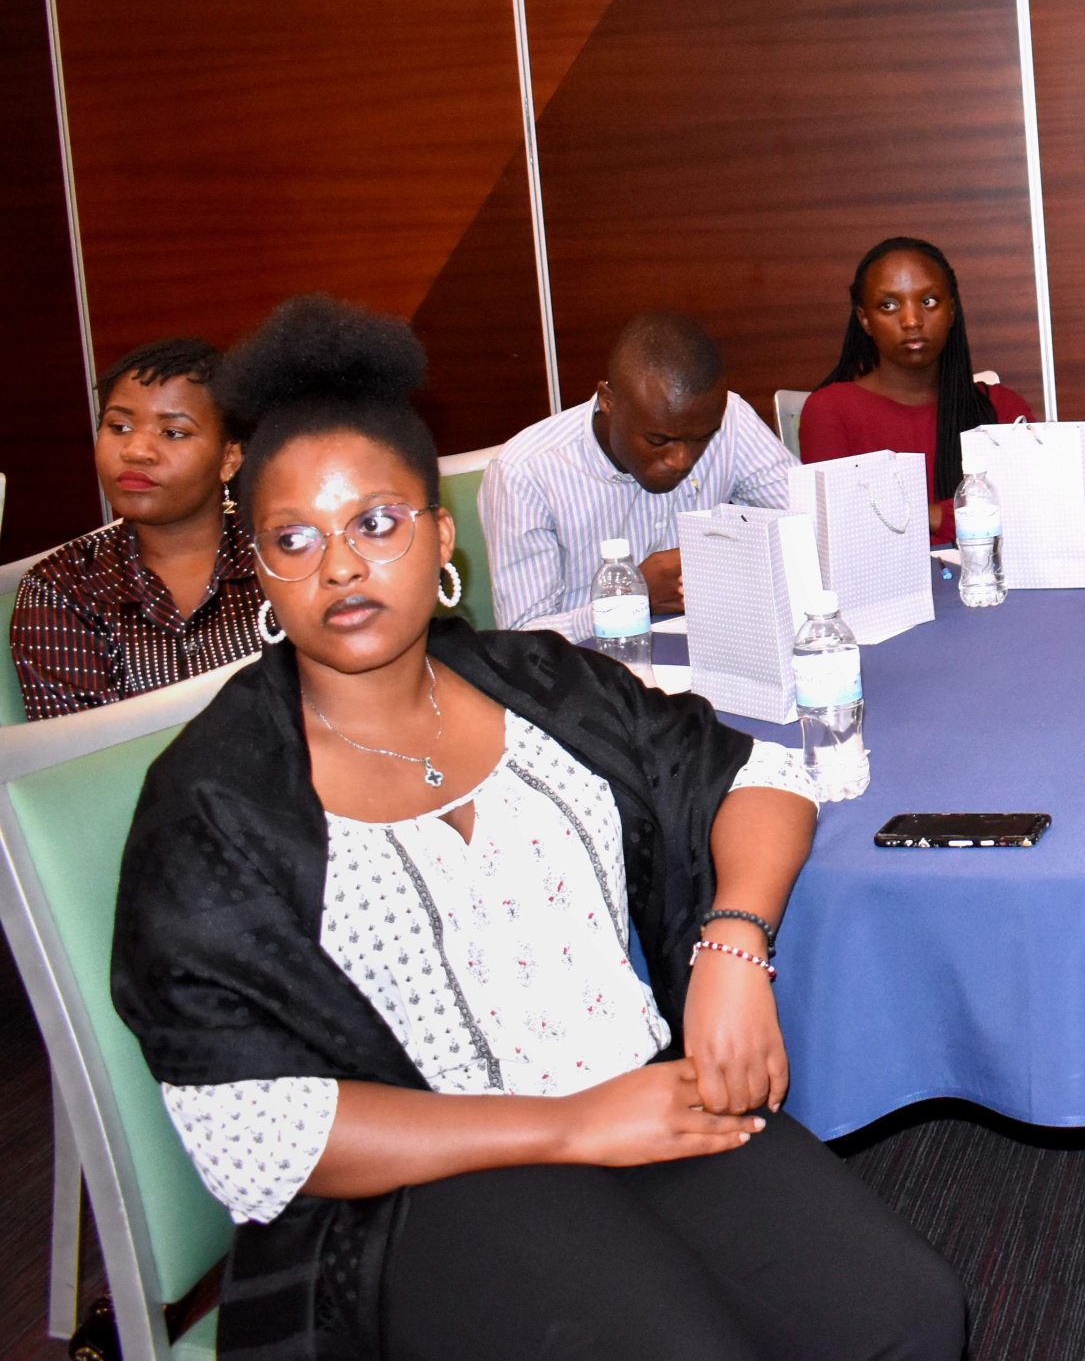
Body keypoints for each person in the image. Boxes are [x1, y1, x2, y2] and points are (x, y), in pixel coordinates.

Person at [112, 295, 965, 1361]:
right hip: (418, 1187)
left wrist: (732, 945)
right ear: (261, 566)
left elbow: (761, 776)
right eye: (296, 538)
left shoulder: (540, 685)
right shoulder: (218, 798)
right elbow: (254, 1128)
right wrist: (572, 1126)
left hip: (642, 1095)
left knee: (908, 1316)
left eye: (376, 522)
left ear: (439, 534)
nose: (340, 566)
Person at [480, 312, 794, 628]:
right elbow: (524, 638)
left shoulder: (730, 419)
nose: (681, 460)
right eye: (659, 440)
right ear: (608, 401)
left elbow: (804, 524)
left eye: (702, 439)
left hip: (712, 642)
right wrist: (628, 598)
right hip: (590, 657)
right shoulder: (524, 474)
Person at [11, 337, 263, 720]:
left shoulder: (285, 556)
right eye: (120, 426)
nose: (136, 450)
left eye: (173, 432)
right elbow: (79, 749)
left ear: (229, 457)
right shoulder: (62, 588)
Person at [798, 238, 1033, 544]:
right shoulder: (830, 410)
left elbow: (1031, 511)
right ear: (865, 320)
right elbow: (840, 526)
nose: (911, 321)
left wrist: (926, 516)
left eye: (929, 302)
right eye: (889, 305)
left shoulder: (1003, 407)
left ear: (951, 310)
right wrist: (943, 515)